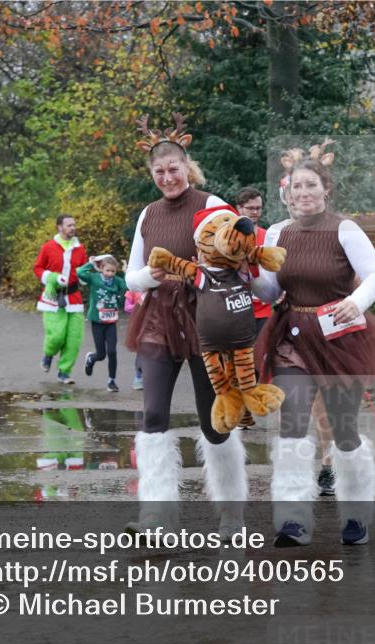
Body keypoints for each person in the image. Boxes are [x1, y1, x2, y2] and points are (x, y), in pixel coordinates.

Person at [252, 148, 375, 547]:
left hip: (338, 336)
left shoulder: (345, 229)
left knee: (343, 430)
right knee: (292, 423)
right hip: (291, 336)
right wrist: (247, 277)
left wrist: (357, 301)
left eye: (310, 185)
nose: (302, 192)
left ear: (326, 189)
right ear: (286, 193)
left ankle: (356, 514)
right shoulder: (275, 233)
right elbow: (270, 289)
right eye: (295, 186)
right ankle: (292, 519)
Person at [124, 113, 243, 536]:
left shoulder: (211, 205)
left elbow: (238, 257)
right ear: (151, 174)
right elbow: (130, 274)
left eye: (173, 169)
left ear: (186, 167)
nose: (167, 177)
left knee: (213, 419)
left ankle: (231, 513)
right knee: (152, 415)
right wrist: (147, 278)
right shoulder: (148, 214)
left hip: (205, 316)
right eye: (159, 172)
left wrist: (204, 273)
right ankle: (157, 516)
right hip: (158, 317)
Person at [33, 214, 88, 384]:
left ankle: (64, 372)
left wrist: (91, 270)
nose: (73, 228)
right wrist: (51, 277)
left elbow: (83, 273)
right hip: (53, 297)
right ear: (59, 227)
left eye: (74, 225)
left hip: (74, 298)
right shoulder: (48, 247)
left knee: (73, 339)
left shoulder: (80, 249)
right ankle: (48, 354)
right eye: (69, 225)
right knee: (56, 336)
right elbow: (37, 268)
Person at [235, 186, 271, 429]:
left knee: (259, 360)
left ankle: (249, 405)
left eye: (258, 208)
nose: (255, 212)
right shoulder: (229, 235)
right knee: (240, 360)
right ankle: (241, 411)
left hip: (265, 308)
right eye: (250, 208)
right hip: (238, 307)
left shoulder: (268, 236)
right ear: (239, 209)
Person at [78, 254, 128, 392]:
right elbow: (80, 273)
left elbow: (126, 287)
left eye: (113, 271)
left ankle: (111, 381)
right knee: (101, 355)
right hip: (97, 321)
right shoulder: (94, 278)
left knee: (112, 352)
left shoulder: (117, 281)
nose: (110, 274)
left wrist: (125, 272)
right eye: (107, 271)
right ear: (101, 269)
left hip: (111, 322)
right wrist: (91, 263)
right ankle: (91, 359)